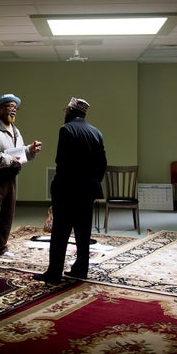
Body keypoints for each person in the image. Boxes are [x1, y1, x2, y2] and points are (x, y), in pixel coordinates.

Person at [34, 97, 107, 284]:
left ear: (71, 111)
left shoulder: (66, 129)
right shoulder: (96, 132)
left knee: (60, 232)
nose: (64, 113)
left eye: (66, 110)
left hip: (68, 189)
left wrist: (58, 188)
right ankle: (81, 269)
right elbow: (102, 164)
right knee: (83, 233)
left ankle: (54, 273)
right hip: (88, 189)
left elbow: (62, 162)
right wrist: (93, 183)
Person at [0, 93, 42, 262]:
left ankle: (0, 247)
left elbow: (18, 152)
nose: (13, 111)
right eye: (9, 107)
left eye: (15, 108)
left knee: (7, 213)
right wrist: (9, 160)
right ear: (0, 108)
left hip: (9, 177)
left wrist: (30, 150)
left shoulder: (15, 129)